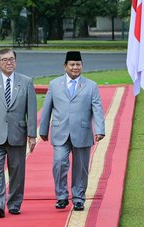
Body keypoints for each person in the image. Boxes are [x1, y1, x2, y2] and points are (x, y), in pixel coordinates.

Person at [39, 51, 105, 211]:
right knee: (59, 164)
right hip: (60, 132)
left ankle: (78, 198)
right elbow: (47, 107)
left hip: (82, 132)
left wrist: (100, 129)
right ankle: (61, 196)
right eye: (72, 64)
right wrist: (43, 129)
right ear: (65, 66)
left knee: (81, 168)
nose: (75, 67)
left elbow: (97, 108)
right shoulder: (55, 84)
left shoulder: (91, 86)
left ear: (82, 66)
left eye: (78, 64)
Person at [0, 48, 37, 218]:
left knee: (17, 171)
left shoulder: (26, 82)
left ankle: (14, 203)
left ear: (16, 61)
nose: (9, 62)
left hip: (18, 133)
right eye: (4, 60)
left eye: (11, 59)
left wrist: (32, 135)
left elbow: (31, 111)